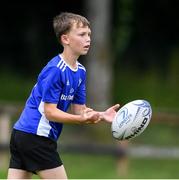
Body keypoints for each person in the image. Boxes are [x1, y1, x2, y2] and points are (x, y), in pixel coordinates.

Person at [7, 12, 120, 179]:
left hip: (23, 135)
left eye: (89, 34)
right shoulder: (55, 69)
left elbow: (79, 110)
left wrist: (101, 115)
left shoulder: (80, 72)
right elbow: (50, 112)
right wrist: (80, 120)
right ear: (65, 39)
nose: (88, 39)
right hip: (35, 136)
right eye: (82, 34)